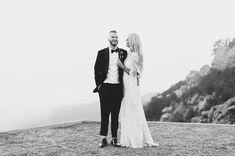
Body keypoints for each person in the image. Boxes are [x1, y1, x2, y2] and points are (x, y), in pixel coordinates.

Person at [117, 33, 158, 148]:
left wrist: (121, 66)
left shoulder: (135, 55)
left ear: (132, 41)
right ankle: (128, 138)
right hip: (127, 84)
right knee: (128, 108)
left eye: (127, 39)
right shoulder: (130, 53)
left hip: (131, 86)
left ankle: (135, 139)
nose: (125, 40)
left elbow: (133, 73)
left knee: (133, 109)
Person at [93, 30, 127, 148]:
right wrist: (99, 86)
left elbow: (128, 68)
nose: (114, 38)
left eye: (116, 37)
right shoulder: (101, 53)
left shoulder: (124, 52)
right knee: (104, 113)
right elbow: (96, 70)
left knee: (115, 114)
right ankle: (103, 139)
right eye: (112, 37)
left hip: (118, 88)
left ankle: (114, 138)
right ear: (108, 38)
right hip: (105, 87)